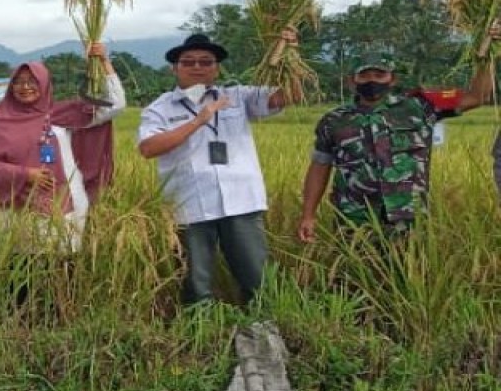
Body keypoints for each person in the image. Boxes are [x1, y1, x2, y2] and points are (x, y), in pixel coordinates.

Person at [137, 32, 288, 306]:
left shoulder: (238, 96)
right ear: (175, 68)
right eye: (189, 62)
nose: (197, 67)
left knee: (257, 276)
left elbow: (285, 97)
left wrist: (287, 51)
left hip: (241, 201)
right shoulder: (160, 108)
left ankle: (265, 324)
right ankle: (201, 332)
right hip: (189, 205)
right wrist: (198, 121)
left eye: (206, 62)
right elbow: (148, 148)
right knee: (196, 280)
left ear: (217, 68)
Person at [297, 52, 495, 242]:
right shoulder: (333, 121)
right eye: (364, 76)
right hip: (354, 220)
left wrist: (485, 57)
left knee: (409, 275)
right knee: (353, 275)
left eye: (379, 75)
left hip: (408, 219)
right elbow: (319, 166)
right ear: (351, 81)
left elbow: (477, 97)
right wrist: (308, 215)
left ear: (393, 79)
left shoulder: (419, 107)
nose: (371, 81)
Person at [0, 45, 124, 281]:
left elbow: (114, 105)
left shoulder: (62, 115)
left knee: (59, 274)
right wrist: (23, 174)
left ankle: (58, 317)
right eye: (18, 82)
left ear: (44, 84)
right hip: (11, 212)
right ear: (11, 87)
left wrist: (103, 62)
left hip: (62, 208)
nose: (25, 87)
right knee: (17, 276)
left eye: (32, 81)